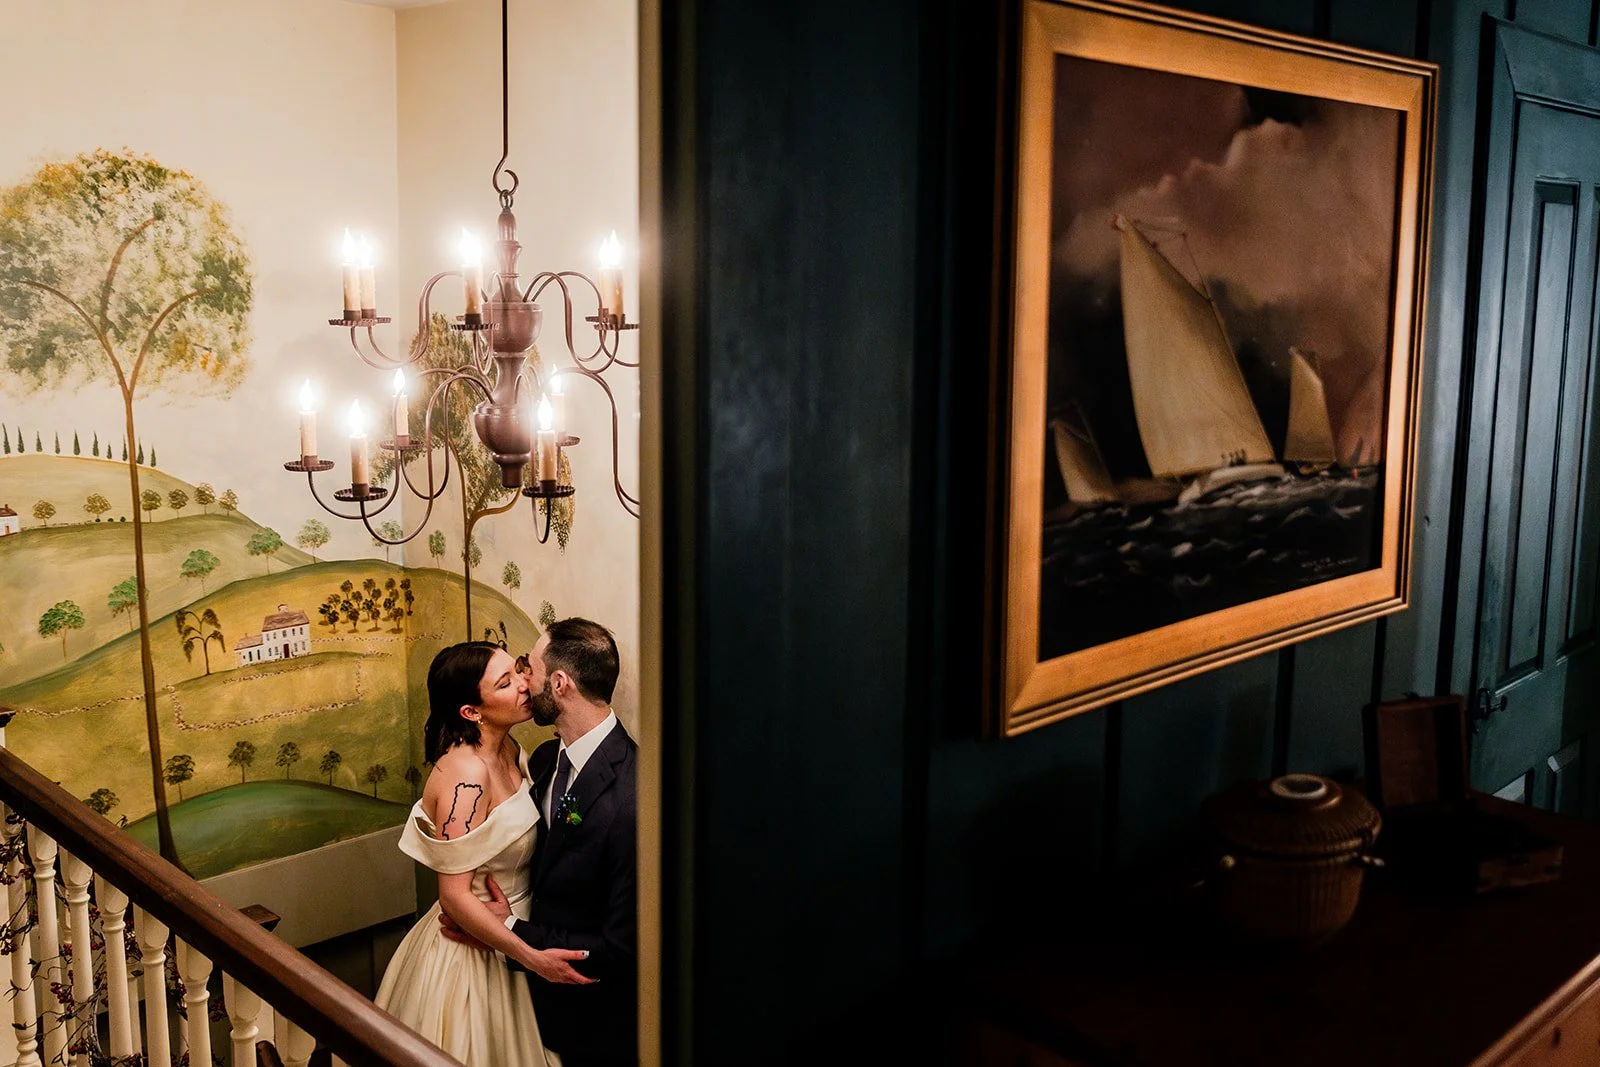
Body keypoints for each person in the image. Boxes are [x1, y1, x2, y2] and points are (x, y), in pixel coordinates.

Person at [375, 641, 593, 1067]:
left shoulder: (511, 749)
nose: (524, 686)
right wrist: (531, 958)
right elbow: (454, 896)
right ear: (472, 712)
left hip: (517, 928)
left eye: (518, 671)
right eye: (505, 683)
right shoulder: (467, 776)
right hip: (476, 954)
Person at [444, 618, 639, 1067]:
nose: (523, 680)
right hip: (525, 1003)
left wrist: (513, 933)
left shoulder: (632, 797)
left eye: (527, 668)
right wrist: (487, 925)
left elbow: (620, 946)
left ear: (560, 683)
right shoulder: (547, 759)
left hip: (591, 1022)